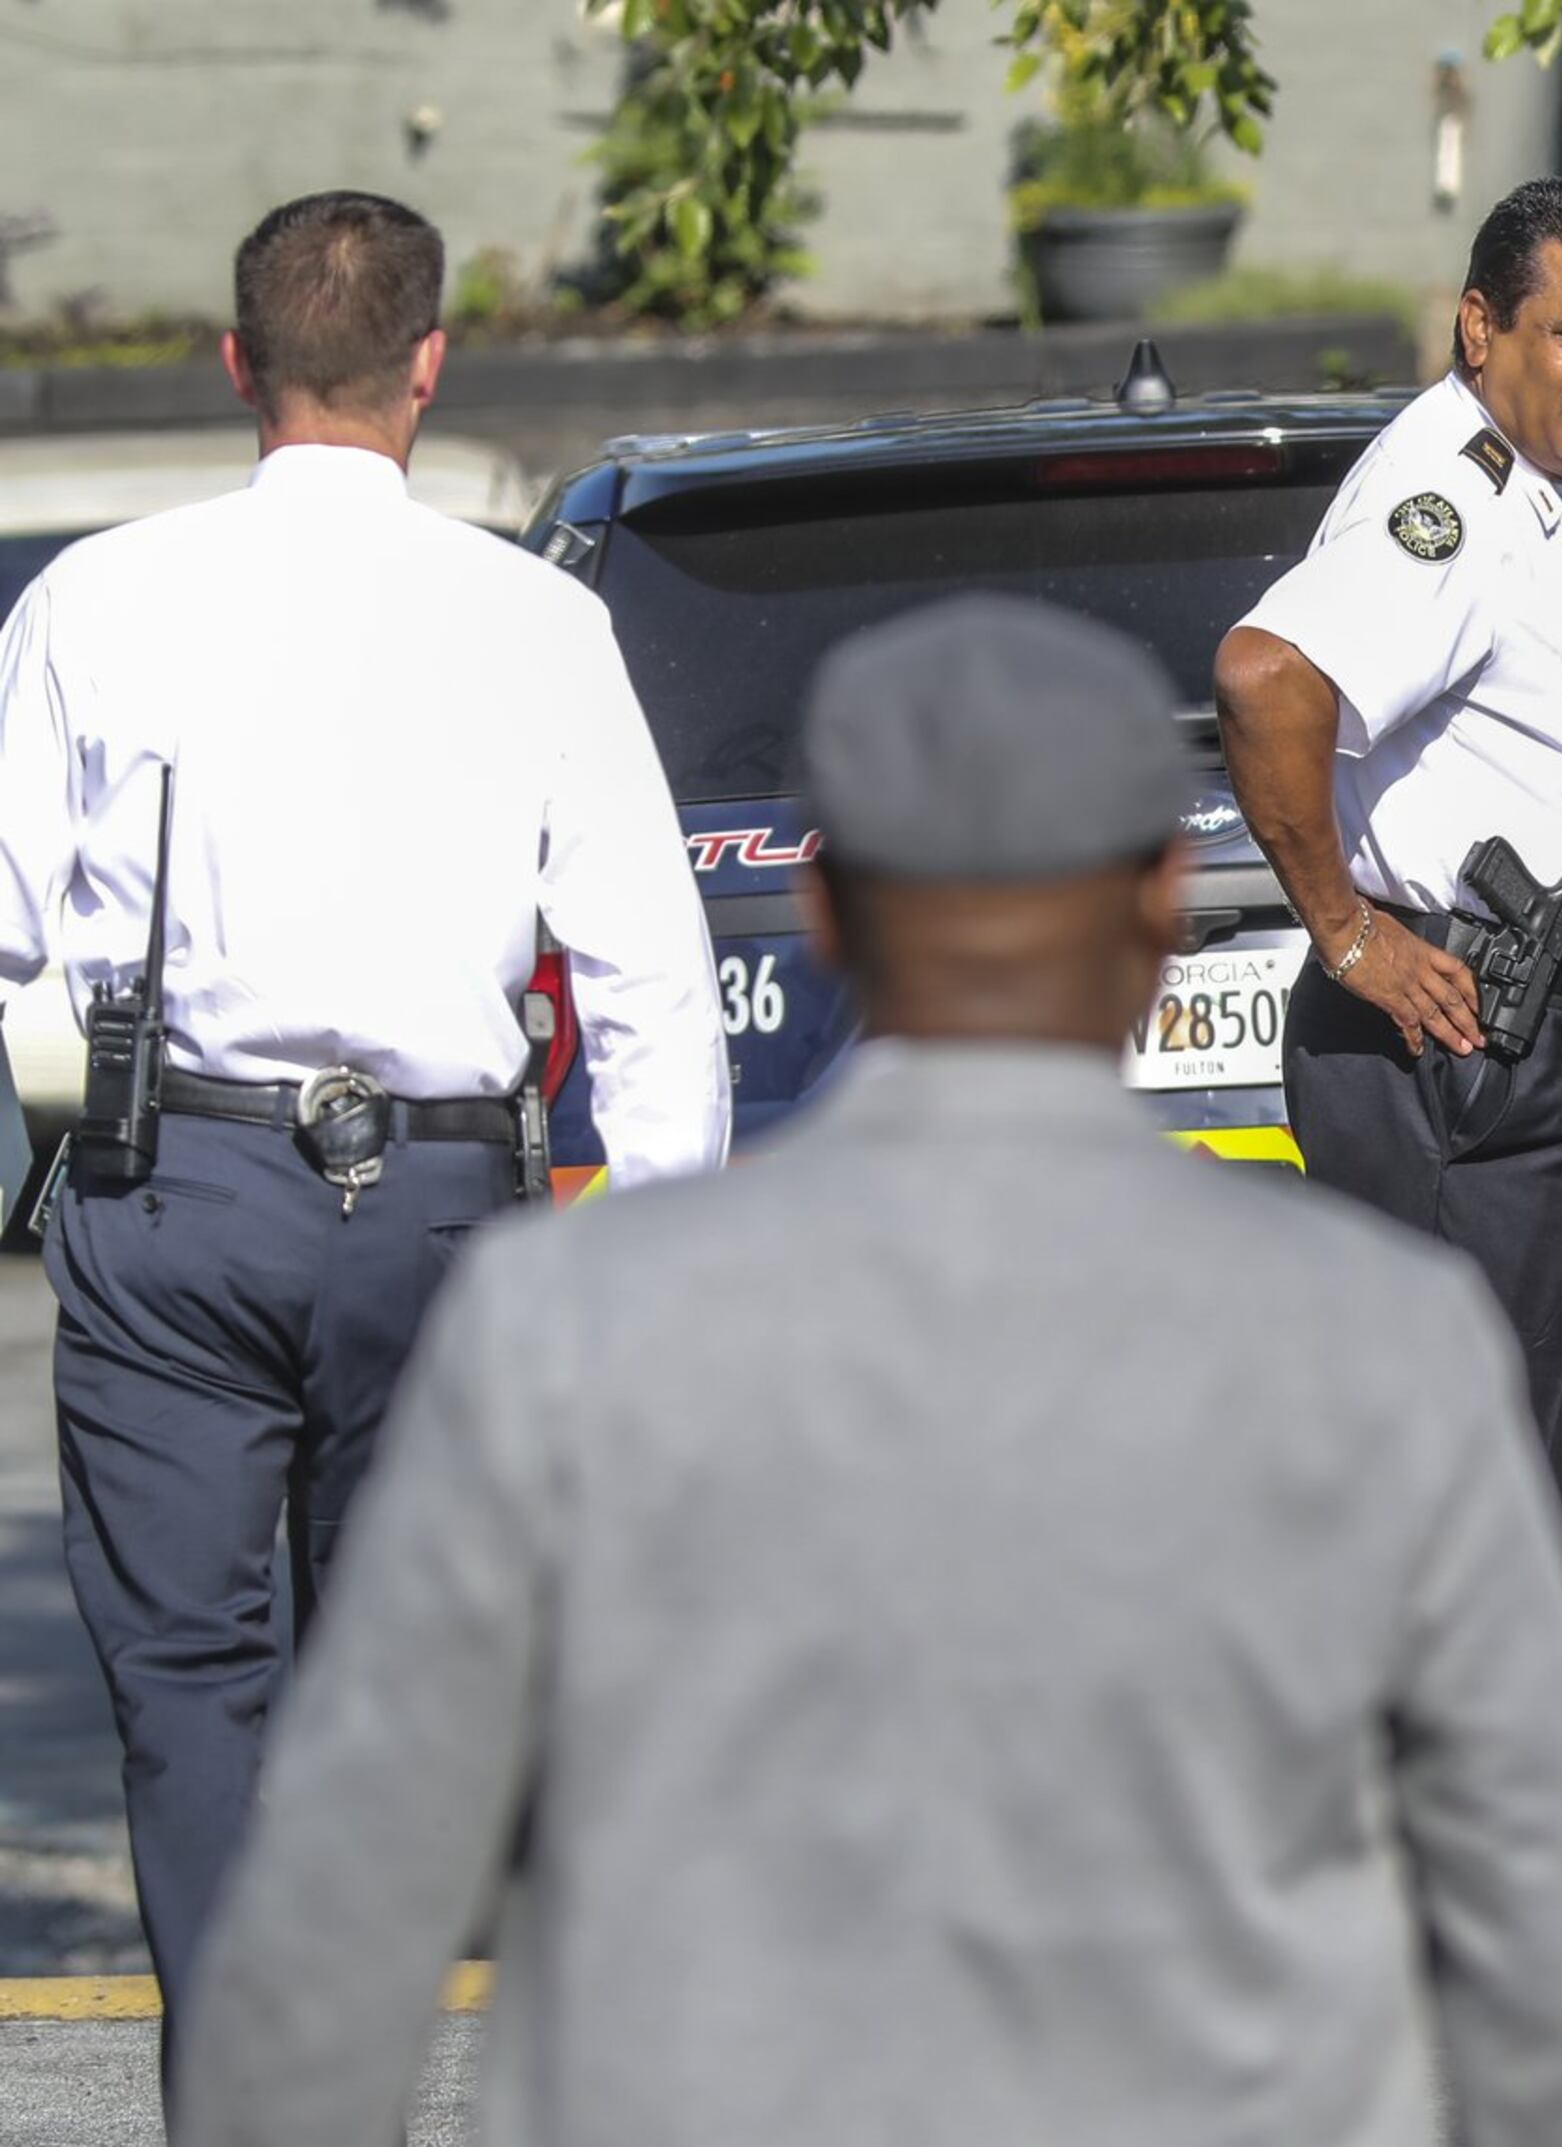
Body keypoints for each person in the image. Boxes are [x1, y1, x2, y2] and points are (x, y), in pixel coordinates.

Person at [174, 597, 1562, 2147]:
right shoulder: (1386, 1343)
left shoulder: (560, 1324)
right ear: (1161, 903)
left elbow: (334, 1928)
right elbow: (1546, 1956)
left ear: (826, 911)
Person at [0, 189, 726, 2046]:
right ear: (429, 367)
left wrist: (68, 1112)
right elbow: (646, 978)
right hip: (442, 1214)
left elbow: (8, 935)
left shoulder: (94, 600)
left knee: (186, 1690)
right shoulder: (536, 619)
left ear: (237, 364)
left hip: (174, 1186)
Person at [1212, 176, 1562, 1586]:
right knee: (1457, 1524)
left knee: (1536, 1504)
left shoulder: (1544, 501)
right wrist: (1348, 935)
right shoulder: (1451, 501)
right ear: (1482, 328)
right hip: (1467, 1058)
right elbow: (1267, 676)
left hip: (1540, 1070)